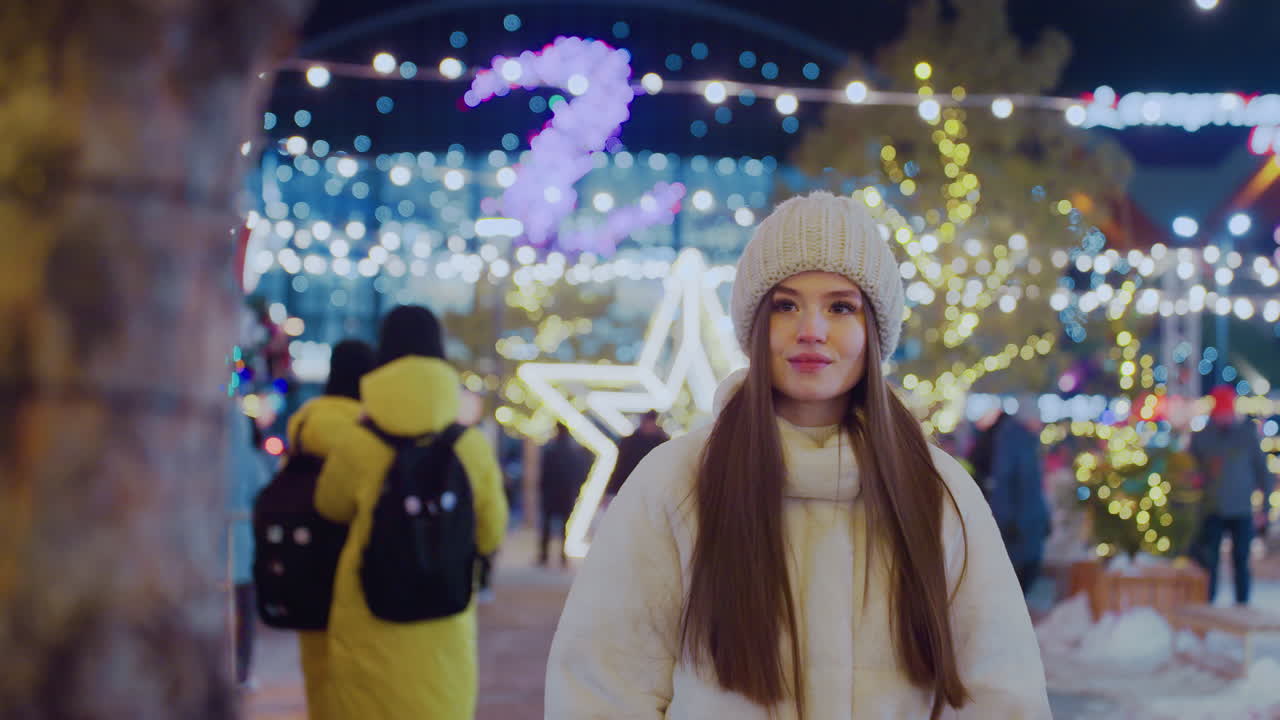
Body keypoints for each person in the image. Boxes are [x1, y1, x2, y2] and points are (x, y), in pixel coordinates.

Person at [546, 191, 1049, 718]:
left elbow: (999, 693)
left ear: (873, 330)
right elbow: (603, 687)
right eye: (786, 305)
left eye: (840, 306)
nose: (811, 329)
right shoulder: (677, 482)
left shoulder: (937, 491)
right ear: (754, 326)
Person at [314, 305, 509, 719]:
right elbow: (491, 533)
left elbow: (328, 505)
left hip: (368, 609)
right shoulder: (469, 445)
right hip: (444, 613)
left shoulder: (360, 442)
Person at [283, 339, 375, 719]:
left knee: (317, 669)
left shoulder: (304, 422)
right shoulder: (367, 428)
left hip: (307, 559)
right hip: (353, 560)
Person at [1190, 385, 1274, 605]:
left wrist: (1265, 509)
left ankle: (1242, 604)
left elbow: (1263, 474)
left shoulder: (1246, 436)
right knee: (1209, 561)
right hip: (1212, 509)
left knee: (1241, 561)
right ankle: (1207, 603)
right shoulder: (1202, 438)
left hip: (1241, 510)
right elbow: (1190, 471)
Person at [969, 403, 1050, 594]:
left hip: (1024, 523)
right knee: (1019, 577)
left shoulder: (1022, 440)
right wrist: (1007, 520)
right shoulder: (1015, 441)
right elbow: (1006, 482)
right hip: (1020, 525)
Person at [226, 400, 269, 691]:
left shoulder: (201, 458)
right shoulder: (252, 461)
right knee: (244, 616)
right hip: (244, 549)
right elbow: (263, 496)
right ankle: (242, 673)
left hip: (206, 555)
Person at [538, 423, 590, 567]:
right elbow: (579, 471)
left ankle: (544, 556)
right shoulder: (573, 451)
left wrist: (543, 489)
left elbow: (544, 473)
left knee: (547, 526)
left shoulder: (551, 449)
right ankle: (561, 556)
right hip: (566, 493)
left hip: (552, 494)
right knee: (564, 527)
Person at [604, 410, 670, 499]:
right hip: (623, 489)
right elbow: (619, 468)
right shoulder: (629, 442)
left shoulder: (663, 445)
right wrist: (609, 491)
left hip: (647, 492)